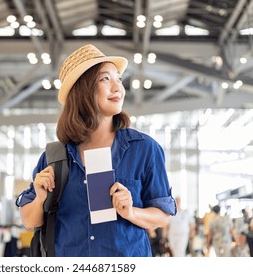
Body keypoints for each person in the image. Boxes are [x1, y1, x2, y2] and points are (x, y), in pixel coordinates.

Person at [15, 44, 176, 257]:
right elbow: (29, 220)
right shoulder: (54, 157)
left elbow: (163, 215)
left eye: (118, 78)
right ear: (83, 90)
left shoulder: (145, 149)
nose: (118, 87)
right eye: (105, 79)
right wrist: (40, 198)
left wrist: (131, 212)